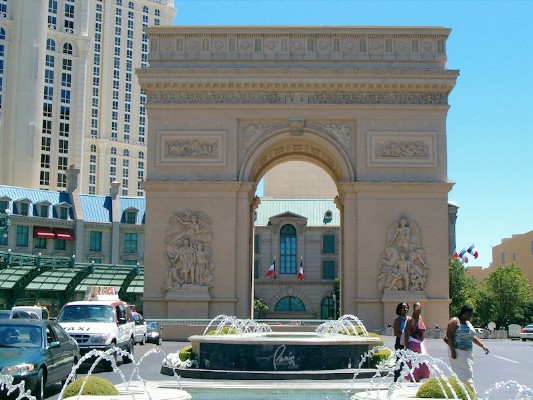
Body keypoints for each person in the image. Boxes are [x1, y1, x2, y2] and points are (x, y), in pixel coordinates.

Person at [446, 304, 489, 395]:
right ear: (463, 313)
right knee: (464, 375)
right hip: (458, 351)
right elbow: (449, 336)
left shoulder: (468, 323)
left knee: (467, 373)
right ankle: (471, 393)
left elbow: (472, 337)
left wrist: (482, 346)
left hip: (468, 352)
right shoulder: (455, 321)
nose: (470, 316)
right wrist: (453, 350)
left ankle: (462, 392)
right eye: (469, 314)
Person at [403, 302, 430, 381]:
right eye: (417, 308)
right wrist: (406, 347)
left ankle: (418, 379)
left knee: (425, 363)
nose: (419, 310)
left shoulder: (420, 318)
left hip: (421, 344)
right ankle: (413, 380)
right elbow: (406, 333)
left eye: (420, 308)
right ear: (414, 309)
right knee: (414, 365)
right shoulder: (411, 320)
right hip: (413, 344)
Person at [393, 302, 409, 382]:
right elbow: (396, 333)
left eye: (406, 307)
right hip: (400, 342)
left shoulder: (409, 319)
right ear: (399, 310)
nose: (405, 309)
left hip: (408, 342)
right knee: (400, 361)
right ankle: (396, 380)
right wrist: (404, 338)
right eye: (403, 308)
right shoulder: (398, 320)